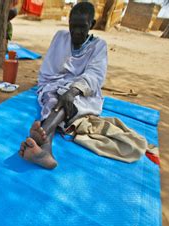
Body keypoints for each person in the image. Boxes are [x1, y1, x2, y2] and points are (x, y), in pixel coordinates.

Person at [18, 2, 108, 169]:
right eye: (72, 26)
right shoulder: (60, 37)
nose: (76, 32)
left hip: (82, 89)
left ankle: (41, 137)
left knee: (71, 101)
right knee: (52, 99)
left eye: (82, 27)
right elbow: (50, 71)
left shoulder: (98, 46)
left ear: (92, 25)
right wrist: (62, 89)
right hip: (55, 82)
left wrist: (72, 90)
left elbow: (95, 76)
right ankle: (45, 147)